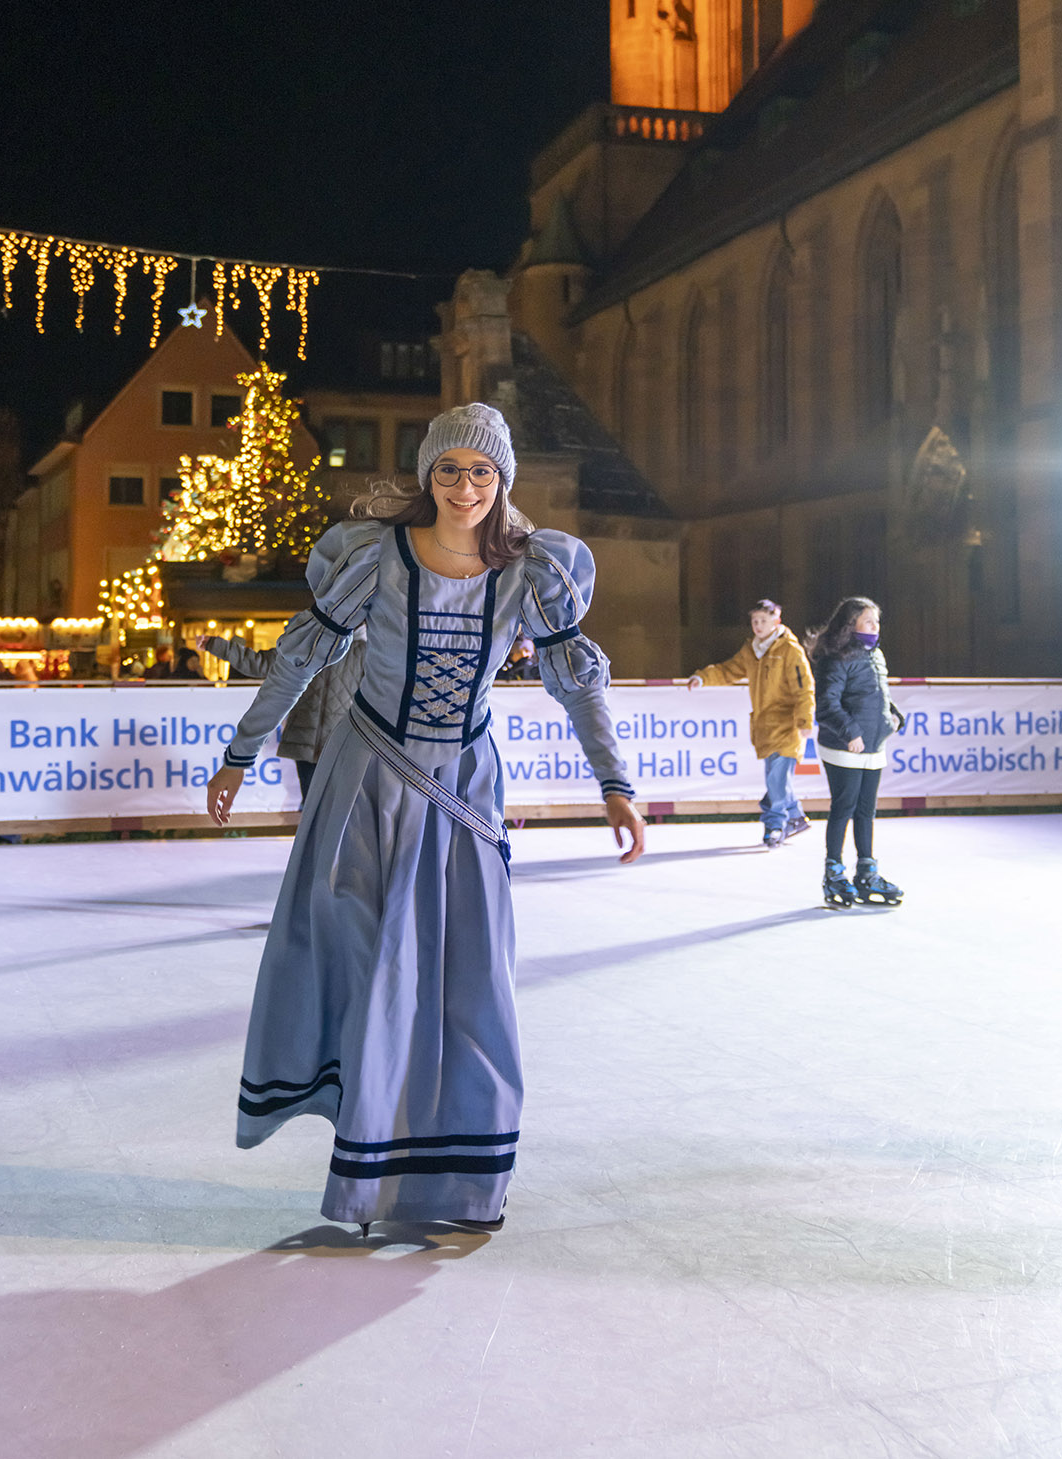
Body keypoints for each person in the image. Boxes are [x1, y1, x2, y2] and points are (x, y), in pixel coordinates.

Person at [205, 402, 644, 1236]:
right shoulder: (377, 558)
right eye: (450, 469)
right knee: (376, 971)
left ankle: (461, 1182)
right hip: (367, 783)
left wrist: (613, 780)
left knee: (468, 979)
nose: (466, 485)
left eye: (482, 472)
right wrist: (241, 751)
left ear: (503, 481)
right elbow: (299, 656)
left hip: (464, 794)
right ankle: (369, 1177)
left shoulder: (530, 570)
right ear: (427, 475)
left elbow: (578, 682)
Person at [688, 598, 815, 848]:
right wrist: (703, 678)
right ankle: (796, 816)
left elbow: (804, 686)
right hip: (764, 725)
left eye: (763, 621)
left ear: (776, 620)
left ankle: (775, 825)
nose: (757, 626)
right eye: (754, 621)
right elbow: (729, 670)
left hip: (787, 724)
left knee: (777, 779)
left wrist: (805, 719)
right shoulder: (752, 650)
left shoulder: (790, 650)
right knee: (777, 778)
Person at [805, 596, 905, 906]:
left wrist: (893, 716)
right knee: (844, 807)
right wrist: (850, 732)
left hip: (873, 745)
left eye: (877, 621)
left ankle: (866, 872)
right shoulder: (836, 658)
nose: (876, 627)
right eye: (869, 621)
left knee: (866, 811)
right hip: (844, 746)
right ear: (851, 625)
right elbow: (826, 706)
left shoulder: (875, 655)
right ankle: (834, 872)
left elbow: (876, 695)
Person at [197, 626, 367, 801]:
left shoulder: (366, 652)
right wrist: (217, 645)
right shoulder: (308, 643)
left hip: (343, 746)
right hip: (305, 743)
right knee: (312, 807)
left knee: (342, 809)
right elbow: (259, 663)